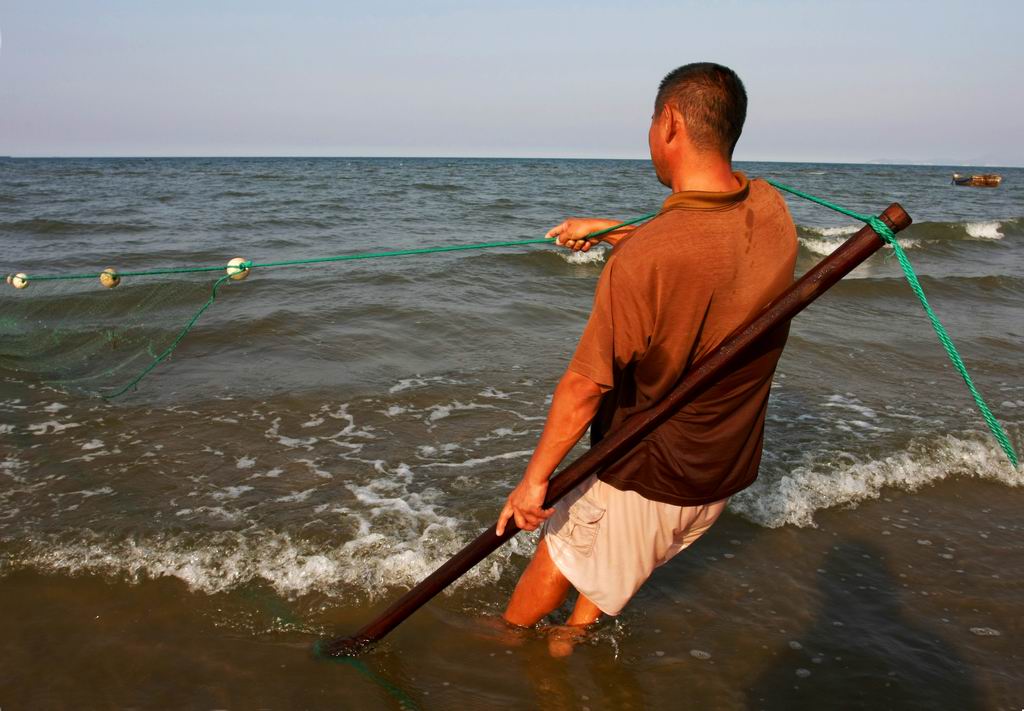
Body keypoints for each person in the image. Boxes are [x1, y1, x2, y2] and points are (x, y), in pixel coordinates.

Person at [495, 62, 798, 644]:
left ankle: (502, 650)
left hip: (650, 468)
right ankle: (570, 642)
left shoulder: (646, 261)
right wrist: (617, 231)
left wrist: (533, 483)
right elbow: (711, 247)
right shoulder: (772, 209)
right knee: (603, 561)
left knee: (558, 552)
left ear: (669, 122)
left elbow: (586, 387)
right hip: (721, 469)